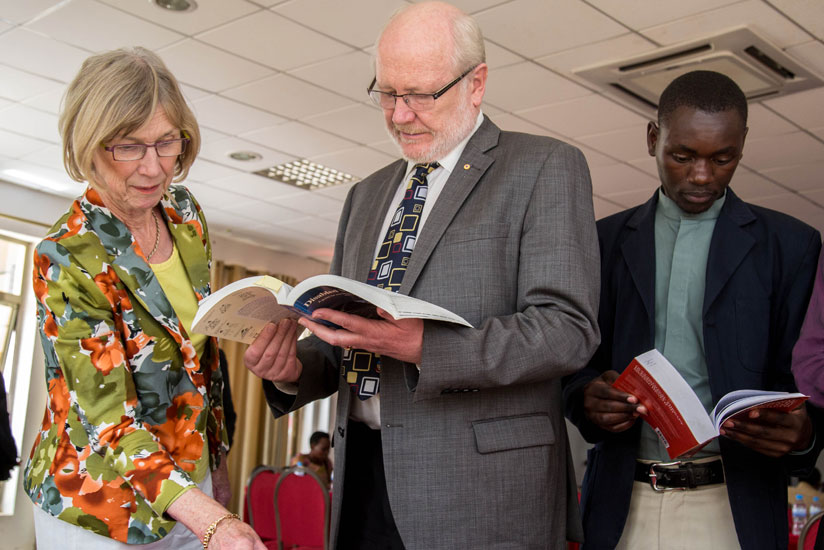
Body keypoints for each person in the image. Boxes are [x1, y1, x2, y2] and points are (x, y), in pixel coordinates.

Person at [244, 2, 600, 548]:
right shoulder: (366, 195)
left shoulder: (545, 167)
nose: (399, 114)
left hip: (481, 491)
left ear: (476, 84)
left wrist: (424, 347)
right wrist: (292, 369)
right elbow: (349, 340)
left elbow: (566, 330)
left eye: (420, 95)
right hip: (361, 475)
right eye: (387, 93)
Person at [563, 70, 822, 550]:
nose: (702, 175)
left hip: (734, 507)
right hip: (621, 502)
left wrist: (804, 435)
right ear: (652, 138)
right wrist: (586, 397)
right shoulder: (599, 241)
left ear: (741, 146)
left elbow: (805, 382)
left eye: (723, 159)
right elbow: (575, 363)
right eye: (682, 156)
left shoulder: (792, 246)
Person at [23, 47, 264, 549]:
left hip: (186, 482)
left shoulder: (183, 213)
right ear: (89, 145)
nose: (154, 168)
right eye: (129, 146)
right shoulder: (67, 256)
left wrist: (215, 471)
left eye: (166, 143)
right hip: (98, 500)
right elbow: (108, 422)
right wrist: (214, 522)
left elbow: (202, 362)